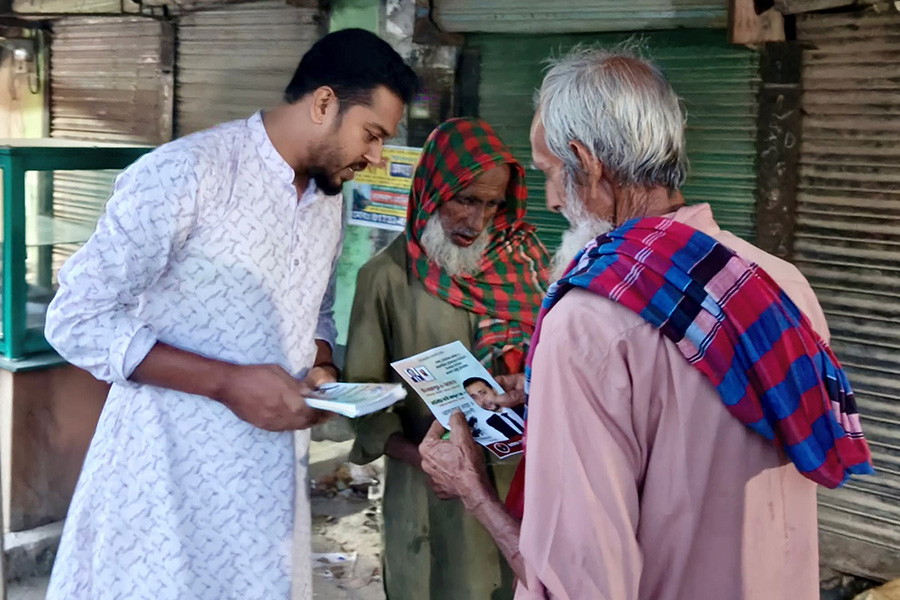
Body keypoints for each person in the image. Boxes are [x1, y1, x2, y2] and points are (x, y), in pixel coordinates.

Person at [419, 46, 874, 600]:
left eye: (549, 173)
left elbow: (580, 587)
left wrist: (474, 490)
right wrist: (550, 395)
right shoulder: (782, 284)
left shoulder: (586, 324)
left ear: (587, 163)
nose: (551, 200)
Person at [43, 29, 416, 600]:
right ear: (324, 103)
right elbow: (76, 317)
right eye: (372, 134)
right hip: (164, 481)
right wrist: (226, 383)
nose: (376, 157)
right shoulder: (189, 171)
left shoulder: (327, 202)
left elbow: (315, 313)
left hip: (268, 490)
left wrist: (322, 369)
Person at [343, 118, 550, 600]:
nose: (476, 221)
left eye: (492, 204)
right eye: (465, 199)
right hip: (433, 497)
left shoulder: (528, 263)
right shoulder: (386, 279)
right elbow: (365, 403)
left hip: (523, 489)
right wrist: (432, 460)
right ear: (432, 190)